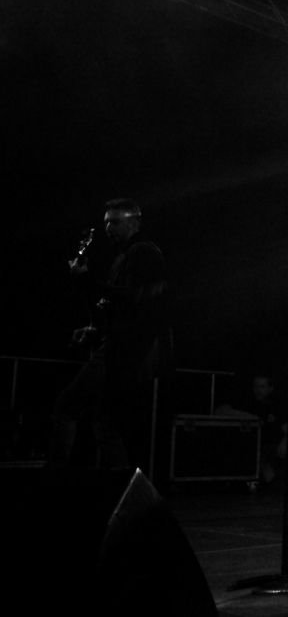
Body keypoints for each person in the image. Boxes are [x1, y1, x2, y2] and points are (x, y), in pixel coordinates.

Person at [49, 198, 173, 476]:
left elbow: (139, 300)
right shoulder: (125, 256)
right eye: (106, 222)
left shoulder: (144, 252)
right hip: (123, 347)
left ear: (134, 222)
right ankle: (124, 487)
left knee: (68, 406)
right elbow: (122, 307)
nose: (108, 228)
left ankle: (55, 477)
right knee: (105, 421)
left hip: (126, 350)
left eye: (114, 222)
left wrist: (87, 281)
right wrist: (95, 330)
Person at [214, 373, 288, 487]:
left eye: (262, 387)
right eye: (256, 386)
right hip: (252, 449)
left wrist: (284, 442)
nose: (258, 390)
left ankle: (279, 475)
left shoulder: (276, 405)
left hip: (274, 447)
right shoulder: (247, 402)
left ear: (270, 389)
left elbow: (286, 427)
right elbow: (220, 411)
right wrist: (251, 417)